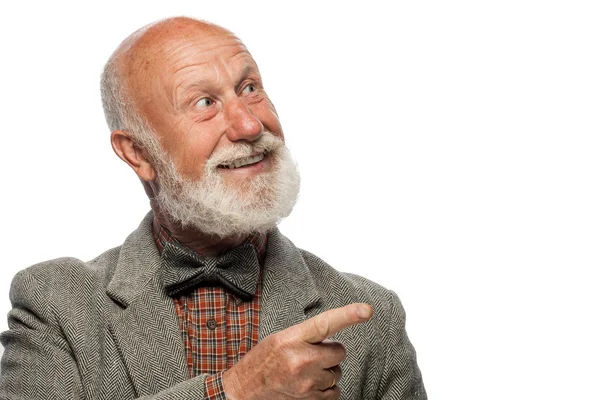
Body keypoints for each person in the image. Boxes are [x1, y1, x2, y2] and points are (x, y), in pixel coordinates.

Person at [0, 17, 426, 400]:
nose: (249, 125)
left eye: (250, 88)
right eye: (205, 103)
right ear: (137, 153)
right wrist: (234, 392)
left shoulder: (372, 316)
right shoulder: (56, 303)